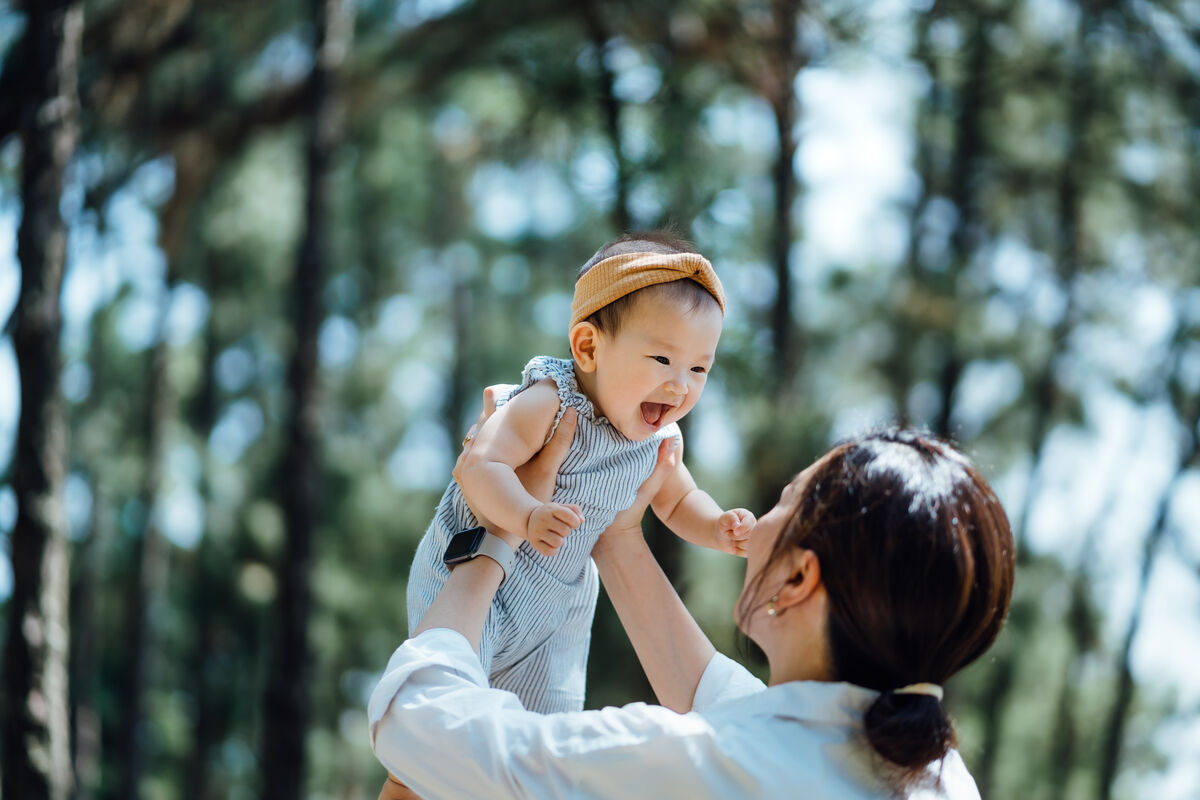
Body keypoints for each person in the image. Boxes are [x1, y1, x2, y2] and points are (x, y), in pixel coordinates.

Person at [371, 389, 1015, 799]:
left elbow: (420, 723)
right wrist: (617, 532)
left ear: (798, 581)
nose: (756, 521)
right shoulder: (936, 777)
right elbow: (717, 692)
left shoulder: (706, 766)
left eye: (783, 504)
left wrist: (495, 531)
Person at [405, 232, 754, 718]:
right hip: (473, 575)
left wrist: (717, 527)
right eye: (662, 359)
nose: (681, 384)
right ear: (588, 348)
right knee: (438, 727)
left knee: (536, 748)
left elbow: (676, 502)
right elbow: (480, 464)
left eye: (699, 368)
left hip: (554, 609)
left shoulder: (657, 439)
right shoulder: (551, 402)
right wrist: (527, 515)